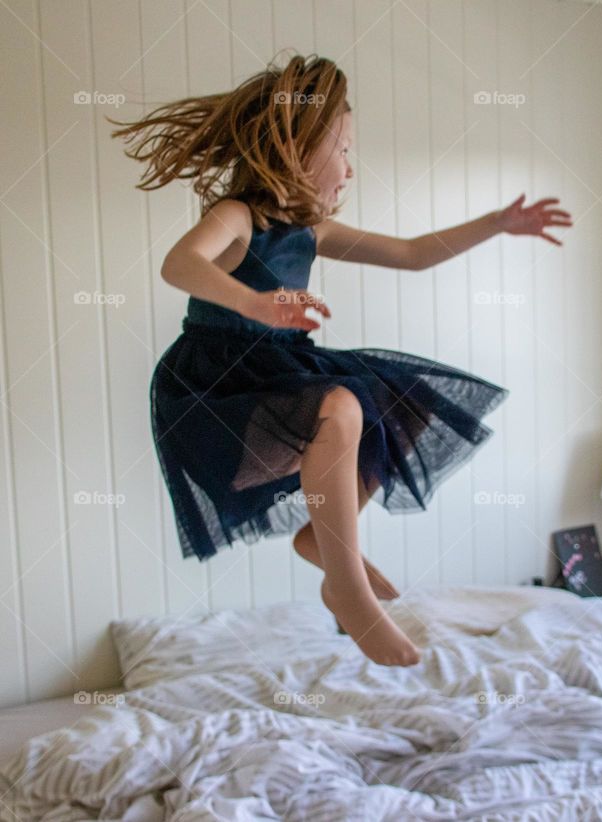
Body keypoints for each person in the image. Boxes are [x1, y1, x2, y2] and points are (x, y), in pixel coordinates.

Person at [109, 54, 572, 666]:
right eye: (344, 149)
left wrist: (497, 222)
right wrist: (253, 301)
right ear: (298, 149)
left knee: (400, 403)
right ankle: (347, 588)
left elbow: (411, 254)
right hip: (217, 384)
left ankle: (322, 540)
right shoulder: (237, 216)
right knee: (343, 405)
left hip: (281, 368)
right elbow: (180, 264)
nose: (351, 167)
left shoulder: (312, 230)